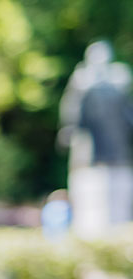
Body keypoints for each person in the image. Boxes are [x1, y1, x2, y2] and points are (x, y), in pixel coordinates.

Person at [59, 40, 133, 238]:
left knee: (119, 207)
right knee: (91, 211)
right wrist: (69, 130)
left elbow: (127, 111)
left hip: (117, 151)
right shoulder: (82, 81)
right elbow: (72, 110)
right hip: (90, 153)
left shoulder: (119, 80)